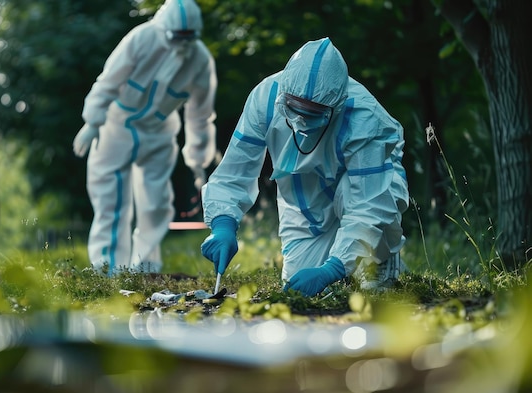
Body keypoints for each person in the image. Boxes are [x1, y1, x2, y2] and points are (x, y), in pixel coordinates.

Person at [201, 37, 409, 296]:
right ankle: (347, 266)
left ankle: (381, 262)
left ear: (336, 106)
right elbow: (235, 169)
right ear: (283, 95)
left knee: (368, 209)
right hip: (302, 201)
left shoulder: (364, 118)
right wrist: (223, 224)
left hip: (363, 189)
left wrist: (332, 269)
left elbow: (369, 205)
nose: (299, 120)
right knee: (297, 286)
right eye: (292, 108)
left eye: (312, 114)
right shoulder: (265, 98)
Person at [73, 0, 217, 276]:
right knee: (110, 200)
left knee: (155, 203)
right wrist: (92, 121)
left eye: (189, 37)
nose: (183, 43)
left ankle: (146, 268)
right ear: (165, 28)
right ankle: (107, 269)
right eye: (177, 36)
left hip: (159, 131)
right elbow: (109, 81)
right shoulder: (141, 39)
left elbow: (200, 114)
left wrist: (199, 158)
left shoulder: (200, 60)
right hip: (118, 127)